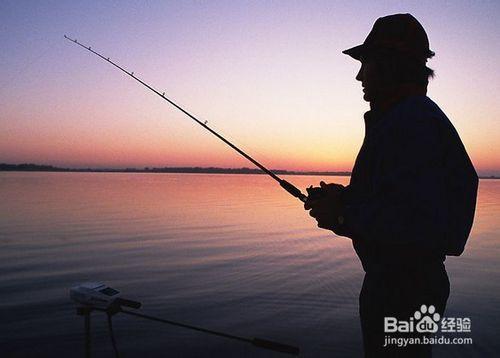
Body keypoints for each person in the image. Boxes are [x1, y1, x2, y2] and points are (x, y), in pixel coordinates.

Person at [304, 14, 478, 357]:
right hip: (402, 285)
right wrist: (347, 198)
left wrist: (342, 216)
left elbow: (420, 223)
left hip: (404, 291)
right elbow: (402, 199)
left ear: (388, 65)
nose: (358, 76)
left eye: (365, 63)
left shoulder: (412, 123)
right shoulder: (406, 119)